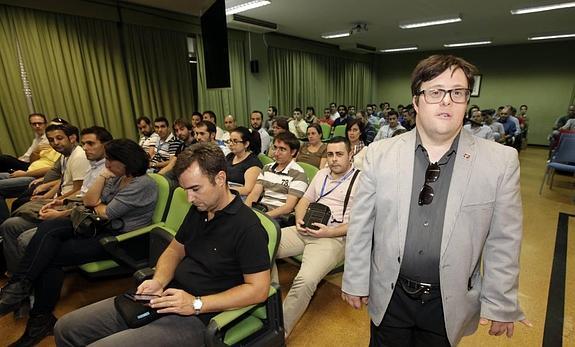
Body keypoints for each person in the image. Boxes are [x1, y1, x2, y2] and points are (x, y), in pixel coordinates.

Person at [341, 55, 529, 346]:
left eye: (457, 92)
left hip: (449, 302)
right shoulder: (380, 154)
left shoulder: (500, 162)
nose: (447, 101)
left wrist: (501, 302)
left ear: (466, 101)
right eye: (435, 92)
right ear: (416, 102)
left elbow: (504, 239)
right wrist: (354, 279)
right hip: (390, 294)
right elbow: (361, 226)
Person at [54, 142, 271, 347]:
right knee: (66, 328)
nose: (189, 198)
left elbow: (258, 290)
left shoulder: (248, 227)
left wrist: (196, 303)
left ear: (221, 178)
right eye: (186, 190)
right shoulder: (200, 209)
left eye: (195, 189)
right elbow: (175, 249)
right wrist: (158, 281)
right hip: (167, 295)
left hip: (201, 314)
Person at [0, 139, 158, 346]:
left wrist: (99, 205)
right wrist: (102, 179)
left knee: (50, 256)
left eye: (111, 160)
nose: (107, 165)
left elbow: (104, 210)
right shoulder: (117, 177)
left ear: (126, 161)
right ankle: (20, 287)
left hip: (123, 240)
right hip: (99, 227)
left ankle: (35, 314)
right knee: (49, 228)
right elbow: (90, 201)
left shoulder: (143, 184)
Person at [273, 136, 359, 337]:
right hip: (305, 229)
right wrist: (299, 220)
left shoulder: (361, 181)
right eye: (330, 154)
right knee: (262, 246)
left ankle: (279, 332)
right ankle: (271, 301)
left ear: (351, 154)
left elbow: (360, 223)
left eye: (339, 154)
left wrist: (330, 232)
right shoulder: (321, 174)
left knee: (305, 280)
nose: (334, 159)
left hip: (334, 237)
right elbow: (305, 200)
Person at [245, 132, 308, 224]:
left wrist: (264, 217)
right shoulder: (267, 168)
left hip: (279, 217)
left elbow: (288, 207)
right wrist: (245, 212)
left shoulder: (299, 174)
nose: (276, 153)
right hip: (261, 209)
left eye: (282, 149)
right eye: (275, 148)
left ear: (293, 152)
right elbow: (254, 194)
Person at [226, 126, 263, 197]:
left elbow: (247, 190)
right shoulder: (230, 156)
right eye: (230, 140)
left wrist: (225, 190)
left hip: (240, 197)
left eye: (235, 141)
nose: (230, 144)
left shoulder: (252, 163)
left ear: (246, 144)